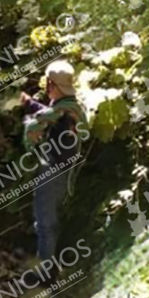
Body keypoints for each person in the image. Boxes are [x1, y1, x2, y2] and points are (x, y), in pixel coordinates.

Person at [20, 60, 88, 268]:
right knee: (47, 220)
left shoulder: (62, 114)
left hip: (54, 172)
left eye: (48, 84)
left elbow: (48, 120)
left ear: (53, 85)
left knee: (45, 223)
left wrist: (33, 122)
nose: (46, 87)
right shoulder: (71, 107)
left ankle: (46, 272)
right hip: (62, 171)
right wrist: (30, 104)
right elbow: (54, 115)